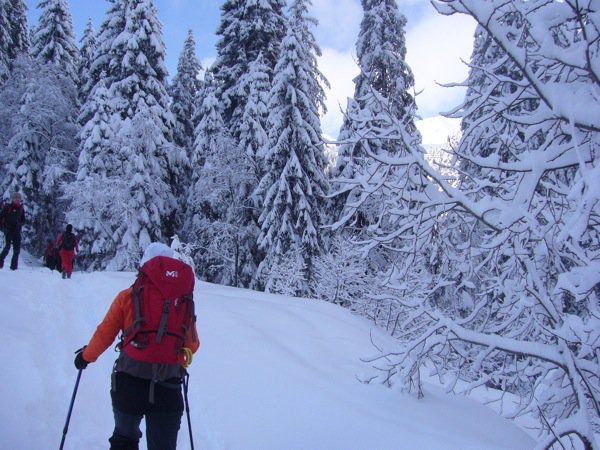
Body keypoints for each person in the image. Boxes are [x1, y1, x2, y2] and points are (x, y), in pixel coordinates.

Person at [74, 243, 200, 450]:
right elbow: (193, 345)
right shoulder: (183, 301)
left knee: (124, 439)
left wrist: (85, 357)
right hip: (168, 386)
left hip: (129, 383)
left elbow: (105, 333)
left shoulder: (128, 296)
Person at [0, 192, 26, 270]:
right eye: (16, 198)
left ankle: (14, 267)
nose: (17, 200)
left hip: (17, 231)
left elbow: (23, 220)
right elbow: (1, 218)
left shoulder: (21, 208)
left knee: (17, 250)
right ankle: (0, 262)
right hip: (8, 230)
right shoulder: (7, 207)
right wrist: (3, 228)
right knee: (7, 247)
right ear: (13, 199)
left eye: (19, 199)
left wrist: (20, 224)